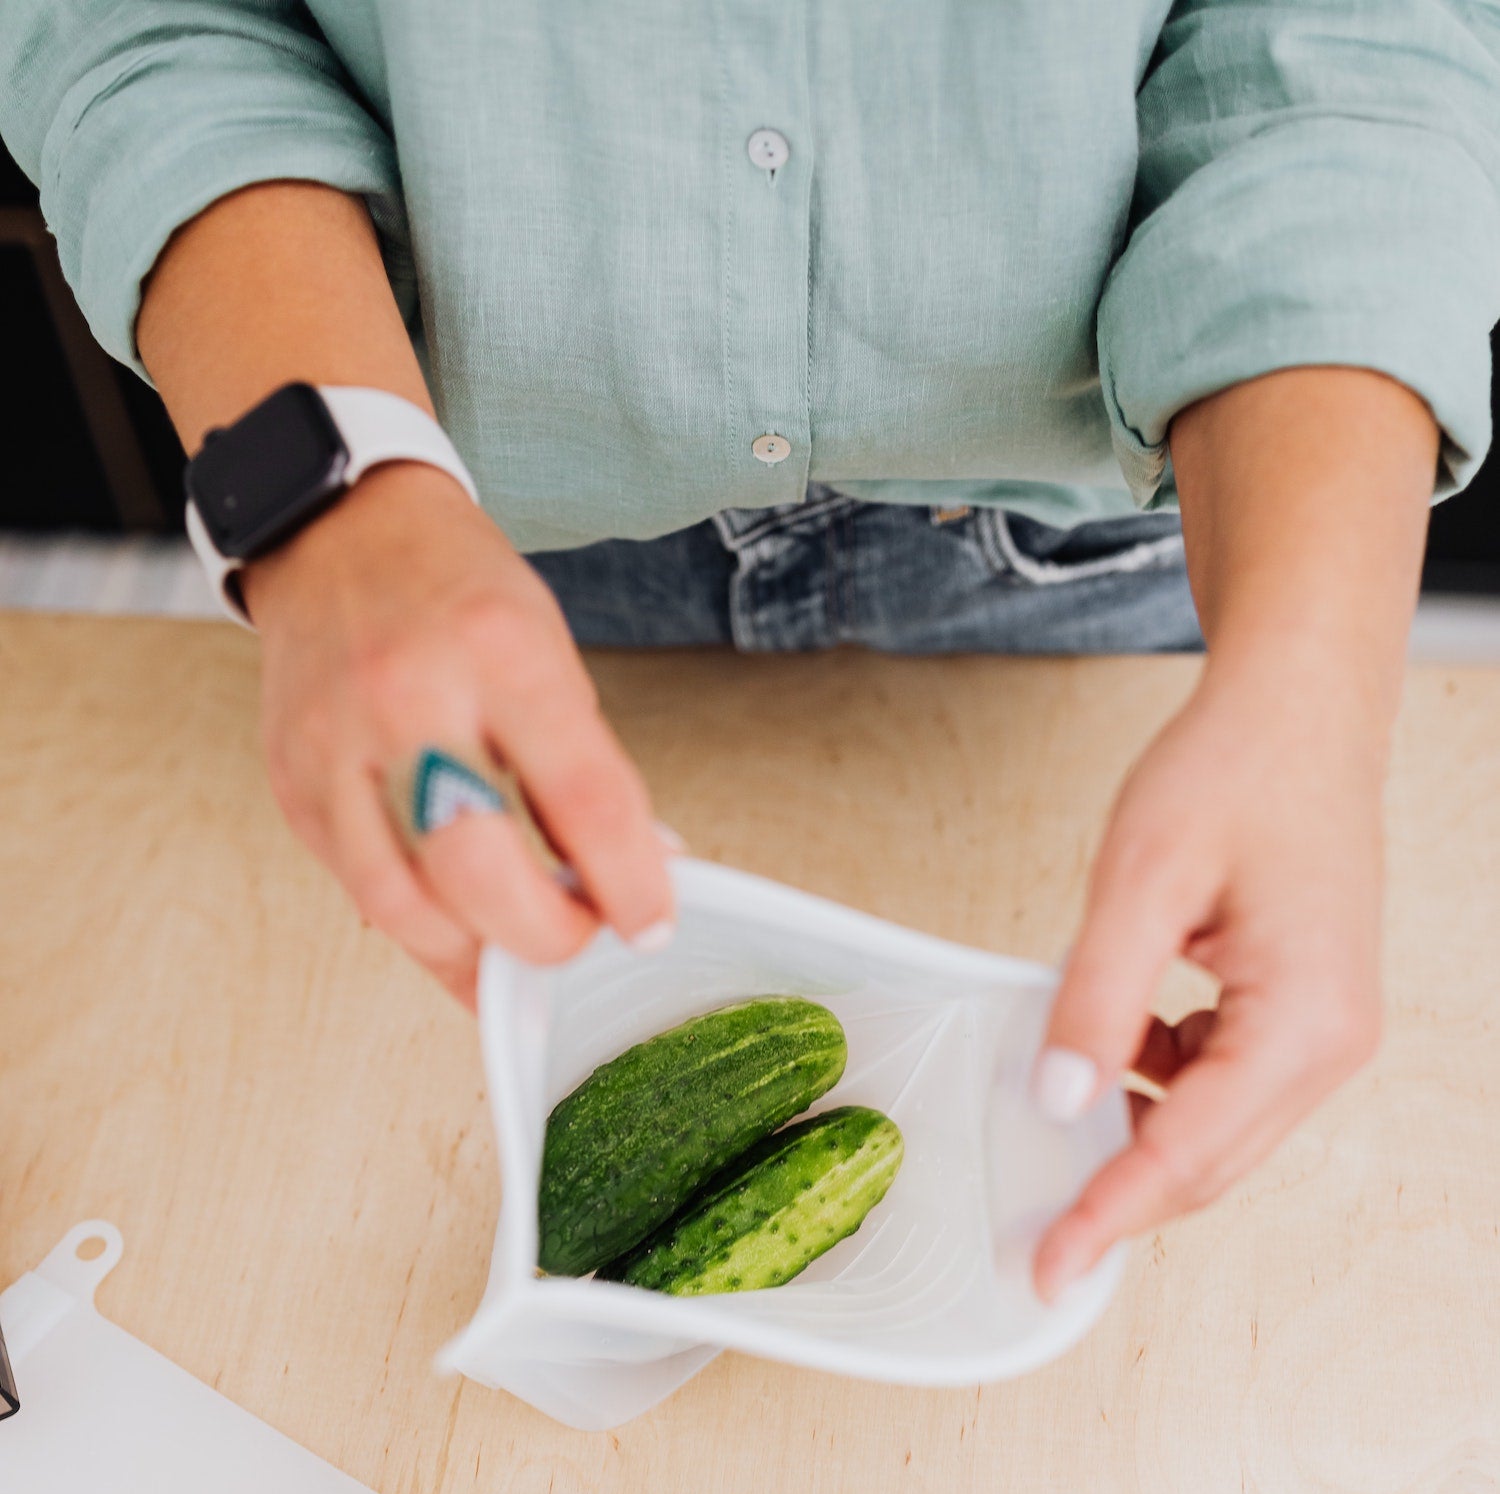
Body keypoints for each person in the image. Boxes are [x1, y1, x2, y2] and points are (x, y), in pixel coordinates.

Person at [5, 6, 1496, 1301]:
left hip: (1126, 520)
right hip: (448, 539)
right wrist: (332, 495)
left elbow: (1345, 42)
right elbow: (135, 18)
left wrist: (1308, 691)